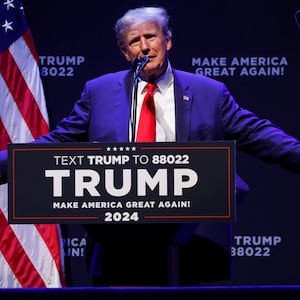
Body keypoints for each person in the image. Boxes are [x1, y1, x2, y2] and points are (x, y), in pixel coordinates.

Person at [1, 6, 300, 286]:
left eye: (151, 36)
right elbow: (58, 141)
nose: (144, 46)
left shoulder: (208, 92)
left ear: (167, 41)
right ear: (124, 51)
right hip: (116, 243)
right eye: (134, 41)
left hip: (189, 242)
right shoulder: (99, 92)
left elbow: (257, 133)